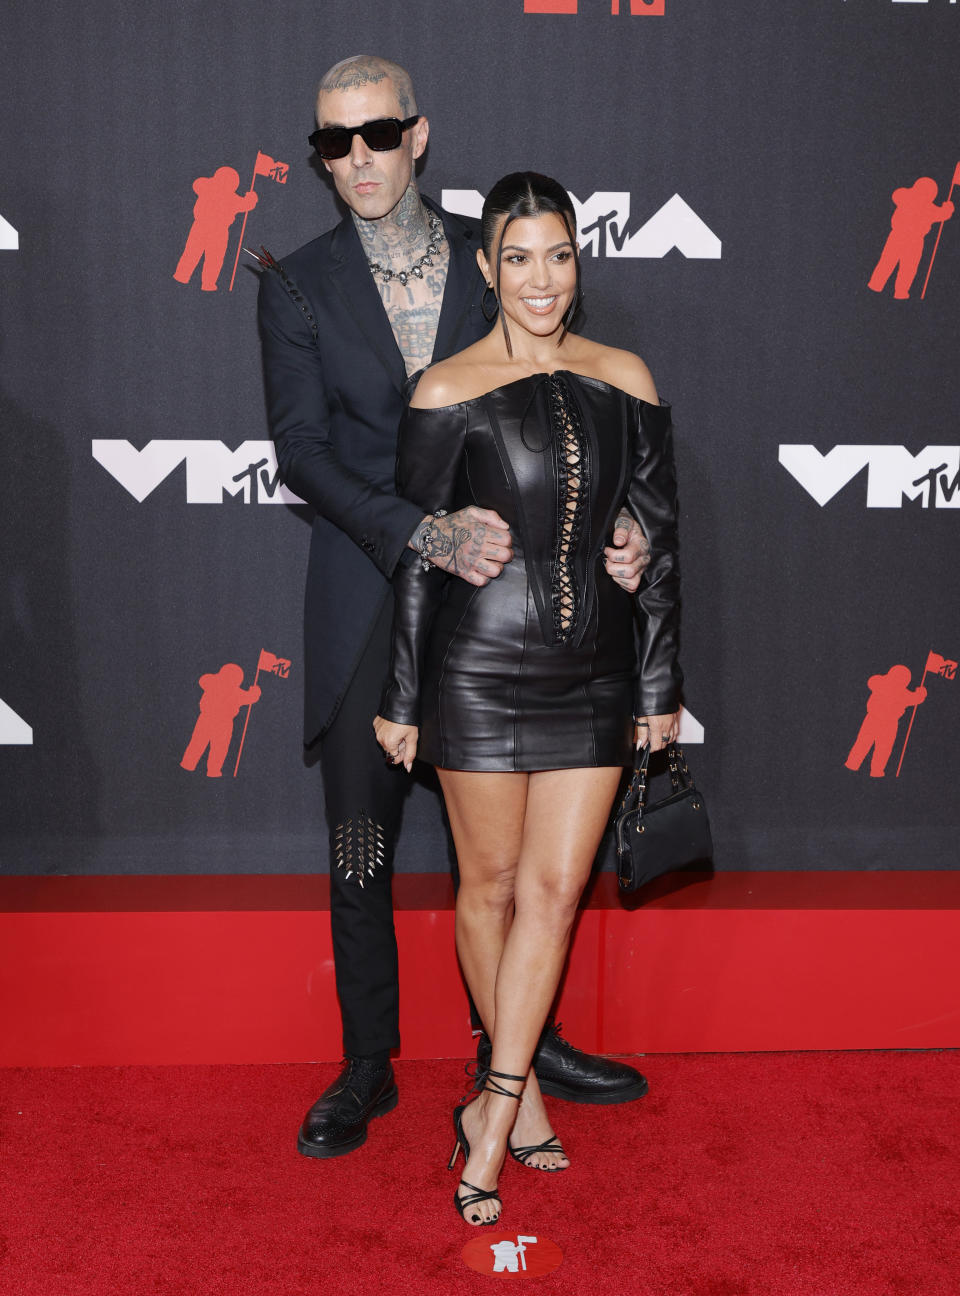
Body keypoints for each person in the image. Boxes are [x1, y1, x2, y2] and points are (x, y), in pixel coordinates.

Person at [257, 55, 652, 1161]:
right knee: (359, 848)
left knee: (515, 863)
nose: (358, 160)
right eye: (333, 143)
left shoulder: (499, 262)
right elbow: (302, 454)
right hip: (367, 591)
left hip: (505, 602)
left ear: (417, 135)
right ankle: (368, 1063)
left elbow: (578, 405)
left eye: (377, 133)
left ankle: (518, 1050)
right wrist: (418, 529)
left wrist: (622, 525)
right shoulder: (294, 284)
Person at [374, 171, 683, 1225]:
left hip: (595, 673)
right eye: (518, 258)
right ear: (487, 267)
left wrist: (658, 683)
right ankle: (527, 1096)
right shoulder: (445, 388)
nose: (541, 279)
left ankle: (490, 1122)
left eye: (558, 255)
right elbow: (419, 553)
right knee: (491, 891)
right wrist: (404, 696)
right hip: (477, 672)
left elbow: (657, 541)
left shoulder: (625, 374)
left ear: (578, 261)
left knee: (556, 897)